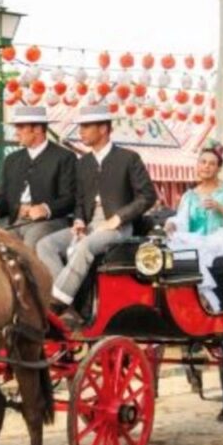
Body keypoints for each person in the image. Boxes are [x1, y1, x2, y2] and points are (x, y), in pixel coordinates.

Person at [36, 104, 156, 318]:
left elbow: (147, 196)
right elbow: (80, 200)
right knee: (45, 245)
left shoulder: (129, 158)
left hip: (120, 228)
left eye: (86, 126)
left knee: (84, 246)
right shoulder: (83, 163)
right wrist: (80, 221)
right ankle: (68, 306)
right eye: (81, 126)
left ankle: (57, 302)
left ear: (103, 129)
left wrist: (118, 218)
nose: (80, 131)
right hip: (90, 226)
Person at [163, 143, 223, 311]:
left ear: (218, 168)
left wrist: (221, 207)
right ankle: (202, 296)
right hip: (198, 239)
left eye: (212, 164)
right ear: (197, 165)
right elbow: (181, 221)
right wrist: (172, 224)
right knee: (171, 245)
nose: (206, 166)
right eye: (203, 162)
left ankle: (208, 298)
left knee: (195, 251)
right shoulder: (189, 196)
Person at [0, 106, 77, 248]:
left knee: (29, 247)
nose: (16, 133)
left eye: (20, 127)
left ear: (37, 129)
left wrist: (46, 209)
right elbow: (3, 200)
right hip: (13, 222)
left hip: (49, 222)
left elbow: (70, 198)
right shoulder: (11, 160)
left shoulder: (64, 157)